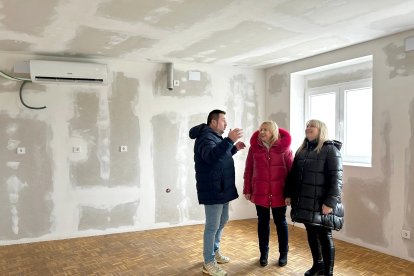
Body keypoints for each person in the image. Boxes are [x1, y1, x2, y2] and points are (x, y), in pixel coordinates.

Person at [189, 109, 246, 276]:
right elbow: (210, 157)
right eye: (223, 120)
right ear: (213, 122)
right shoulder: (205, 137)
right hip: (213, 188)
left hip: (222, 187)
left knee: (223, 220)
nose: (226, 123)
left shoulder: (214, 137)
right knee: (212, 226)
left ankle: (214, 252)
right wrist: (229, 140)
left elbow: (220, 156)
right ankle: (208, 262)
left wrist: (233, 148)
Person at [284, 119, 344, 276]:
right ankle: (318, 265)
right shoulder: (302, 150)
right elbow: (293, 176)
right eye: (307, 126)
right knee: (311, 233)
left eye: (312, 126)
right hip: (305, 201)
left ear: (321, 130)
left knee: (325, 235)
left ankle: (328, 272)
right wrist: (289, 194)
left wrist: (330, 202)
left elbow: (336, 179)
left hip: (322, 203)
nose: (308, 128)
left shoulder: (330, 150)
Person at [243, 121, 293, 267]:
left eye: (266, 130)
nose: (262, 132)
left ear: (273, 132)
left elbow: (292, 173)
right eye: (261, 129)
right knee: (262, 223)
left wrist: (290, 194)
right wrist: (247, 189)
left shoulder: (285, 149)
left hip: (280, 193)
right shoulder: (254, 149)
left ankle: (283, 253)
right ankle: (263, 253)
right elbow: (249, 170)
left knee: (281, 223)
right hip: (260, 193)